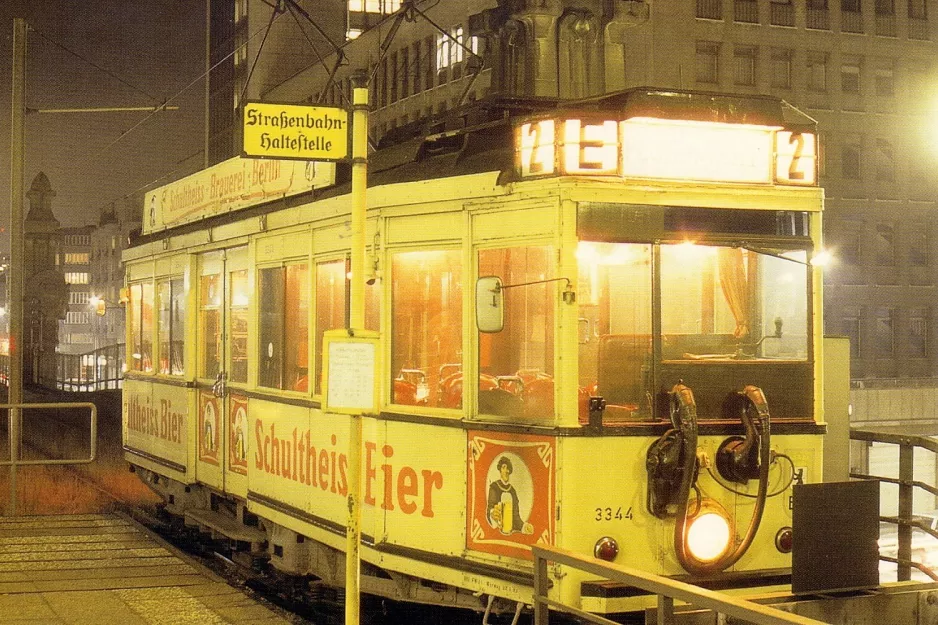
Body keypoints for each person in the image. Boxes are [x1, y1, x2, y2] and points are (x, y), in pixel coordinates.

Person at [486, 456, 533, 535]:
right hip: (496, 534)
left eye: (508, 468)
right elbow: (490, 509)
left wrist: (524, 526)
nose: (506, 471)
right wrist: (492, 514)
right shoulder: (494, 487)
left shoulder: (512, 491)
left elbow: (516, 517)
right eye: (504, 467)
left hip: (510, 534)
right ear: (500, 469)